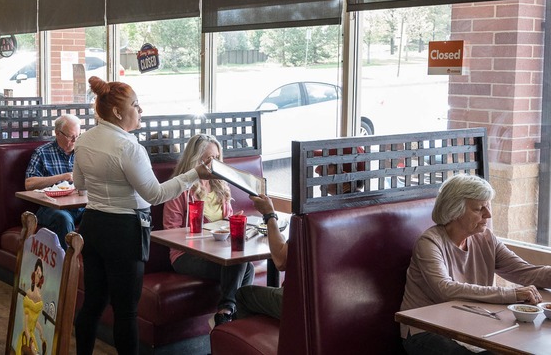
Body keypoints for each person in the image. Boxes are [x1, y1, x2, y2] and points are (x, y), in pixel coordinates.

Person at [73, 76, 213, 355]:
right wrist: (195, 173)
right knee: (126, 312)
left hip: (92, 225)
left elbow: (80, 184)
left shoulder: (84, 140)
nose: (141, 110)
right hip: (124, 230)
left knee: (93, 303)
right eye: (136, 105)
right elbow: (155, 195)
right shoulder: (129, 147)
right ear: (117, 112)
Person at [400, 174, 551, 355]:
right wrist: (512, 294)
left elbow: (527, 273)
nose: (489, 215)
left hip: (467, 326)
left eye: (488, 206)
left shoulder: (485, 239)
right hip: (426, 331)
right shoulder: (430, 243)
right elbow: (445, 290)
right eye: (479, 209)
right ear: (455, 211)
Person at [235, 147, 365, 320]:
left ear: (345, 173)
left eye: (326, 165)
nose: (317, 170)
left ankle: (275, 344)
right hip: (353, 303)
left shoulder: (320, 216)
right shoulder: (369, 208)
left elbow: (281, 261)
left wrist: (269, 215)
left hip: (310, 303)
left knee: (243, 295)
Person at [162, 134, 254, 327]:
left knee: (246, 265)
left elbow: (225, 223)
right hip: (185, 255)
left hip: (217, 251)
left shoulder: (220, 185)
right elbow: (170, 230)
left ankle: (228, 317)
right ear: (195, 160)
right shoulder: (181, 187)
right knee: (237, 264)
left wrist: (232, 221)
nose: (214, 163)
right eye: (208, 159)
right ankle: (228, 316)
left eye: (217, 158)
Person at [24, 114, 84, 248]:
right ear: (57, 133)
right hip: (49, 207)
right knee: (64, 219)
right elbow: (29, 184)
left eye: (78, 136)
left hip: (78, 206)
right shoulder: (42, 153)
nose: (75, 140)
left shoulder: (82, 152)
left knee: (99, 214)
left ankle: (90, 263)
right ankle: (66, 265)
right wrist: (62, 177)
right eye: (71, 136)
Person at [16, 258, 47, 355]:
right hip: (27, 336)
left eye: (39, 273)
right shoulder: (30, 293)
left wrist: (41, 331)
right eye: (37, 272)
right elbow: (26, 326)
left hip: (31, 335)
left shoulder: (39, 294)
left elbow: (34, 320)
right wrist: (31, 343)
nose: (38, 274)